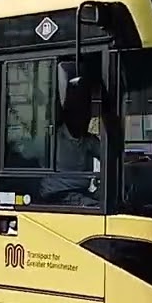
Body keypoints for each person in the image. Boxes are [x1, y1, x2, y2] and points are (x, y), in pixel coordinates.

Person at [40, 63, 101, 206]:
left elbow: (109, 155)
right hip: (56, 196)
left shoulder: (88, 141)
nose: (86, 118)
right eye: (81, 113)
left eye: (87, 113)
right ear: (69, 114)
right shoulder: (52, 138)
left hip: (81, 193)